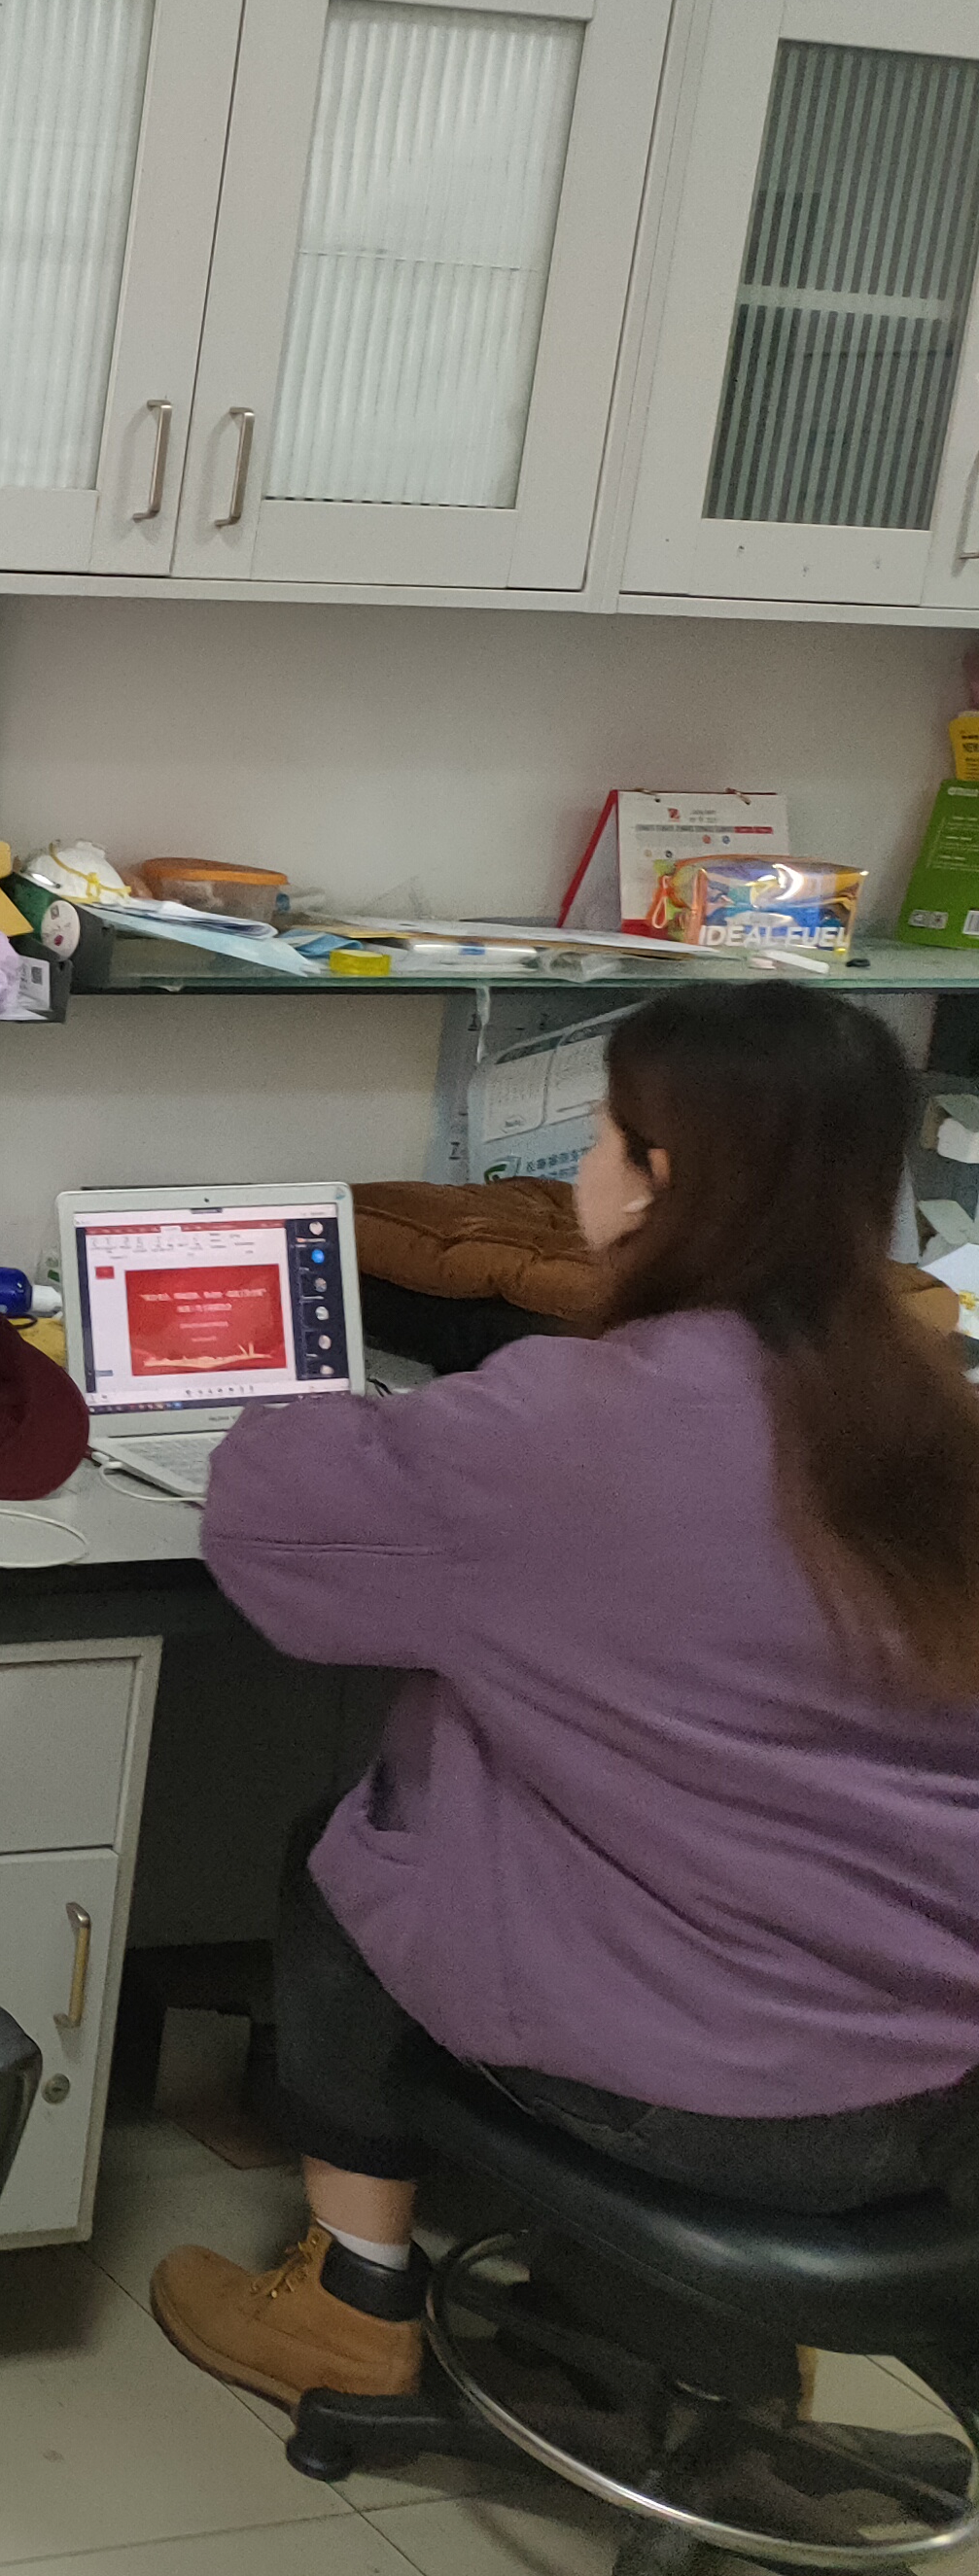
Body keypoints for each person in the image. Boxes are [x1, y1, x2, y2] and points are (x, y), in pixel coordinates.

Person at [155, 985, 979, 2407]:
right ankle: (689, 2326)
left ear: (653, 1178)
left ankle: (352, 2304)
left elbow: (266, 1529)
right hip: (932, 2089)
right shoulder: (934, 1415)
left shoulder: (561, 1424)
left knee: (350, 1854)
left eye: (600, 1136)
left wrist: (316, 1396)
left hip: (714, 2100)